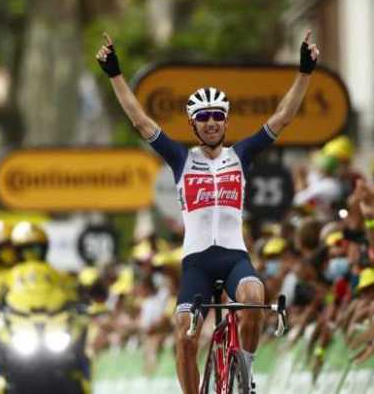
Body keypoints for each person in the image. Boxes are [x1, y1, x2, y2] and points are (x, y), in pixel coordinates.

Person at [96, 30, 320, 394]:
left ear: (226, 120)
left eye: (217, 115)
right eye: (203, 117)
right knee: (184, 335)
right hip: (197, 263)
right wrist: (115, 75)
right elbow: (141, 122)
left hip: (234, 257)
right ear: (193, 124)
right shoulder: (181, 158)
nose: (211, 121)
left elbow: (282, 118)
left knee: (253, 295)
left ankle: (244, 377)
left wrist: (305, 73)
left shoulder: (241, 154)